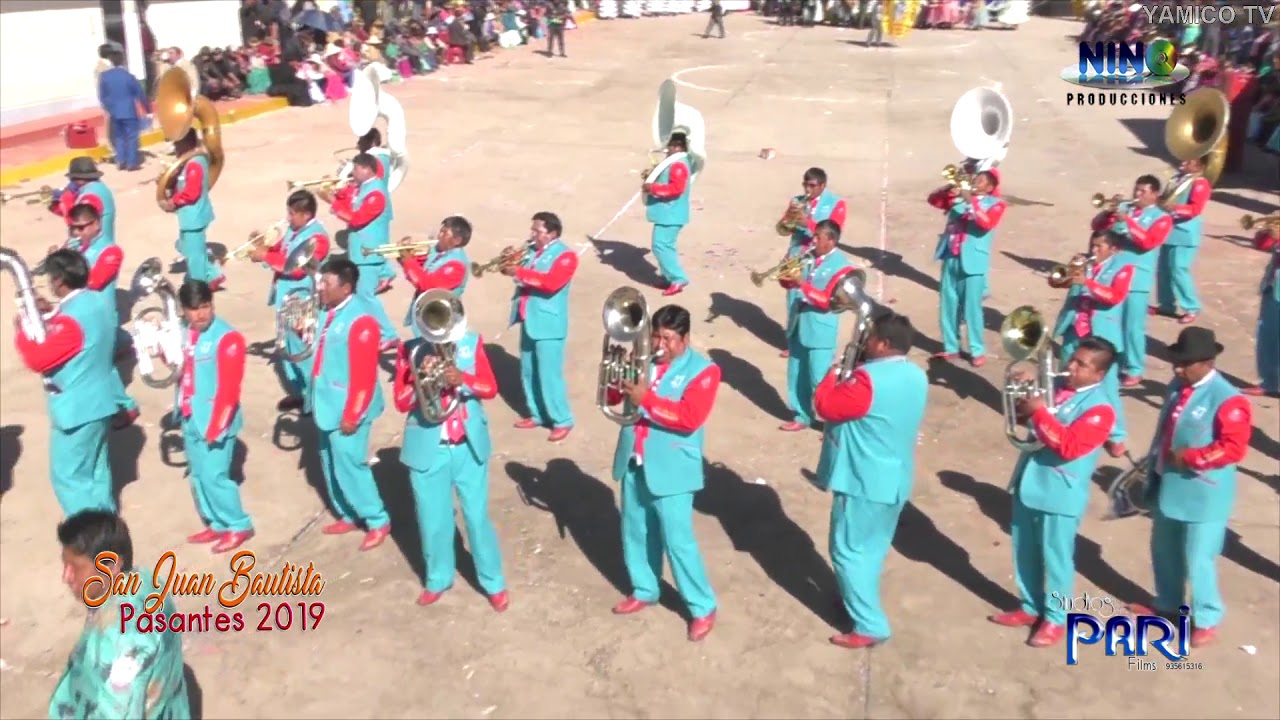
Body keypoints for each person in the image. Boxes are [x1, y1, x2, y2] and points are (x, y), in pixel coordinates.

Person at [987, 337, 1119, 647]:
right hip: (1029, 482)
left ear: (1098, 374)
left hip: (1060, 493)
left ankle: (1056, 618)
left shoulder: (1101, 410)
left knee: (1056, 559)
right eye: (1072, 359)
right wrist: (1024, 395)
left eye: (1081, 365)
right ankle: (1030, 607)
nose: (1070, 367)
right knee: (1025, 551)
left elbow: (1069, 446)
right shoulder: (1057, 389)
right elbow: (1025, 421)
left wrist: (1039, 412)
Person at [1126, 327, 1251, 648]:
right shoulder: (1177, 386)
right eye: (1176, 363)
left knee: (1199, 558)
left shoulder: (1228, 399)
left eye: (1185, 364)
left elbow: (1233, 448)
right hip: (1169, 483)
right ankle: (1167, 603)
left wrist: (1191, 457)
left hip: (1203, 492)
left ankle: (1206, 618)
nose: (1178, 369)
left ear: (1208, 363)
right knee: (1164, 549)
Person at [603, 304, 721, 642]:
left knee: (678, 542)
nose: (660, 344)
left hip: (672, 468)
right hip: (635, 459)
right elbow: (616, 397)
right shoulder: (644, 360)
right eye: (656, 336)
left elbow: (688, 418)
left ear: (685, 339)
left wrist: (646, 399)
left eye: (668, 338)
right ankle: (645, 588)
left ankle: (702, 607)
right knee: (635, 531)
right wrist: (616, 380)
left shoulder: (705, 371)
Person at [812, 309, 928, 649]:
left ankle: (869, 624)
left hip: (863, 479)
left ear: (884, 344)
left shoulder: (866, 381)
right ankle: (858, 600)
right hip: (897, 478)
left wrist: (835, 371)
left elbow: (825, 405)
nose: (866, 342)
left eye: (871, 338)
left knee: (846, 550)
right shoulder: (917, 375)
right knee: (872, 548)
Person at [392, 325, 509, 611]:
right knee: (432, 519)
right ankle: (437, 579)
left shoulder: (471, 343)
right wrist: (419, 378)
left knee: (477, 518)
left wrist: (463, 379)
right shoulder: (410, 350)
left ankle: (493, 582)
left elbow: (490, 388)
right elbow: (401, 402)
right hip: (428, 448)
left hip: (467, 445)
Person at [50, 511, 190, 719]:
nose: (66, 577)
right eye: (65, 564)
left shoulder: (123, 641)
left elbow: (120, 711)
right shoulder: (146, 581)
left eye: (76, 567)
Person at [12, 251, 118, 517]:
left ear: (58, 280)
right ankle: (109, 529)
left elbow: (38, 359)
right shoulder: (97, 301)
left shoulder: (72, 321)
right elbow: (71, 323)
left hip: (77, 411)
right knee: (97, 474)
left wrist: (22, 330)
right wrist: (48, 311)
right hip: (101, 402)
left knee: (70, 478)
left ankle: (90, 535)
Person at [310, 258, 392, 550]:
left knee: (351, 465)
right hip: (325, 403)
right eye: (321, 281)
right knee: (329, 462)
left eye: (327, 283)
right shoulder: (327, 311)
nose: (320, 287)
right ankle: (347, 512)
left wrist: (352, 415)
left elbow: (364, 376)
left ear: (346, 288)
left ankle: (377, 519)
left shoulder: (362, 322)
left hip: (347, 407)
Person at [172, 280, 254, 554]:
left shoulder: (227, 338)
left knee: (215, 476)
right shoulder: (184, 332)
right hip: (190, 415)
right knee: (198, 476)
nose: (201, 314)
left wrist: (217, 426)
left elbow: (229, 389)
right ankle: (216, 522)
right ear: (184, 311)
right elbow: (178, 367)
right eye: (194, 309)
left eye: (205, 306)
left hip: (214, 419)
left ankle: (238, 524)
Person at [1049, 230, 1132, 456]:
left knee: (1107, 386)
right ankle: (1063, 416)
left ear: (1113, 249)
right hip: (1074, 329)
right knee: (1067, 376)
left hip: (1101, 334)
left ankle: (1116, 435)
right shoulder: (1083, 263)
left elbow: (1115, 296)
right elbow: (1056, 282)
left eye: (1099, 247)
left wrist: (1088, 283)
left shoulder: (1122, 267)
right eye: (1092, 245)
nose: (1093, 250)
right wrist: (1064, 276)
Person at [248, 189, 330, 413]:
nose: (288, 218)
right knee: (286, 345)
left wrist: (266, 256)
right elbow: (283, 250)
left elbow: (297, 268)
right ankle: (299, 393)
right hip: (286, 296)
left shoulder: (318, 239)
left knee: (300, 349)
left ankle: (313, 398)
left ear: (306, 214)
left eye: (293, 214)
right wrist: (264, 246)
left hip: (301, 298)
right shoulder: (295, 231)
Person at [60, 203, 141, 429]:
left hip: (101, 318)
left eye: (82, 227)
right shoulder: (79, 248)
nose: (77, 233)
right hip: (82, 315)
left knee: (102, 366)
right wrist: (62, 257)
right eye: (73, 228)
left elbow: (94, 281)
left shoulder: (111, 251)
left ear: (96, 224)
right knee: (93, 365)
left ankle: (126, 406)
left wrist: (71, 262)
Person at [1091, 175, 1172, 386]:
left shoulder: (1162, 218)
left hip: (1137, 279)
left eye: (1143, 191)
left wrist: (1127, 221)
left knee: (1132, 327)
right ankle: (1110, 363)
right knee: (1108, 322)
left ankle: (1135, 368)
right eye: (1136, 190)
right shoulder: (1124, 208)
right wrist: (1107, 214)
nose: (1137, 195)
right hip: (1111, 273)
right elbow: (1097, 228)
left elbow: (1148, 242)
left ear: (1155, 194)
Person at [506, 211, 577, 443]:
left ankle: (562, 419)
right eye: (533, 230)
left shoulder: (566, 256)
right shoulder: (531, 251)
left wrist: (519, 272)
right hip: (529, 317)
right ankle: (537, 413)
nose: (533, 234)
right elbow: (518, 273)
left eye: (537, 231)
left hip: (549, 324)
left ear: (552, 233)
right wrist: (509, 266)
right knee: (528, 371)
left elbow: (550, 283)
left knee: (549, 375)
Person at [779, 219, 855, 432]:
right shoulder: (808, 257)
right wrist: (786, 273)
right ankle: (801, 415)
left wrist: (802, 284)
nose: (813, 241)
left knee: (820, 380)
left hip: (821, 330)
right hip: (798, 323)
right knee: (796, 375)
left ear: (831, 240)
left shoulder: (843, 267)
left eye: (818, 237)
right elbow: (788, 284)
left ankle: (834, 423)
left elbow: (828, 301)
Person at [928, 169, 1007, 367]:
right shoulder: (958, 199)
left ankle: (977, 350)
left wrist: (970, 200)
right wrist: (949, 188)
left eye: (981, 180)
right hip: (951, 257)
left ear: (990, 187)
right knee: (948, 305)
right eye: (976, 178)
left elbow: (986, 223)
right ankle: (951, 347)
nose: (975, 182)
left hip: (973, 262)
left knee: (972, 308)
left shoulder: (996, 205)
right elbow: (934, 201)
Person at [322, 153, 398, 349]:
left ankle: (388, 334)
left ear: (367, 169)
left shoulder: (376, 193)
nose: (353, 173)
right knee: (359, 295)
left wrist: (332, 201)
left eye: (355, 169)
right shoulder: (365, 188)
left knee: (364, 295)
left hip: (368, 253)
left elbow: (357, 218)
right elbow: (351, 206)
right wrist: (334, 196)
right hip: (362, 252)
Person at [777, 167, 848, 359]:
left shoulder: (836, 204)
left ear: (822, 185)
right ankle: (794, 342)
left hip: (819, 257)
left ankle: (819, 345)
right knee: (793, 300)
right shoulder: (797, 201)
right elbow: (783, 229)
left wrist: (807, 222)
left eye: (812, 185)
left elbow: (835, 232)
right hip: (797, 255)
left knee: (815, 299)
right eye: (805, 185)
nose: (808, 189)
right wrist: (789, 219)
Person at [160, 129, 226, 290]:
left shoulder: (194, 163)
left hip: (194, 217)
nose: (175, 147)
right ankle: (213, 274)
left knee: (194, 256)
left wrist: (173, 202)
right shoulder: (190, 162)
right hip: (190, 216)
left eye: (178, 143)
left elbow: (192, 193)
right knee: (184, 246)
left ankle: (198, 287)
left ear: (187, 143)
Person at [1154, 156, 1212, 324]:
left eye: (1188, 162)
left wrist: (1174, 208)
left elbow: (1195, 209)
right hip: (1169, 230)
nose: (1182, 163)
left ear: (1199, 166)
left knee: (1178, 269)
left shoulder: (1200, 183)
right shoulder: (1176, 178)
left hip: (1185, 232)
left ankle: (1191, 307)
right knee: (1163, 270)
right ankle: (1166, 304)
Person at [400, 215, 471, 337]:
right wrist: (405, 255)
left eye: (444, 233)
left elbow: (427, 284)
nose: (439, 236)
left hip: (439, 317)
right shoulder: (440, 251)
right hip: (425, 308)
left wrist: (408, 261)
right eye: (440, 231)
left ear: (457, 240)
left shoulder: (457, 265)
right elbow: (421, 266)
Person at [643, 132, 695, 297]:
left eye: (670, 146)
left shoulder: (678, 165)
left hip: (671, 213)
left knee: (661, 245)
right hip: (670, 213)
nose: (668, 149)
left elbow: (676, 189)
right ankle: (669, 277)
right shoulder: (678, 162)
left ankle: (677, 278)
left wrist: (653, 188)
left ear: (677, 147)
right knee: (664, 245)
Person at [97, 49, 150, 172]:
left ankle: (121, 160)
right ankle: (131, 163)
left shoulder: (104, 76)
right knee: (132, 137)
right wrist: (147, 110)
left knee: (119, 137)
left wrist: (110, 108)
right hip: (129, 111)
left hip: (114, 112)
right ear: (123, 61)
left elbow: (102, 96)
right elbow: (140, 94)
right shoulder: (128, 77)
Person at [1244, 225, 1279, 397]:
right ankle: (1270, 383)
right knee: (1267, 335)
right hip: (1273, 286)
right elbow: (1261, 245)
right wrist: (1267, 234)